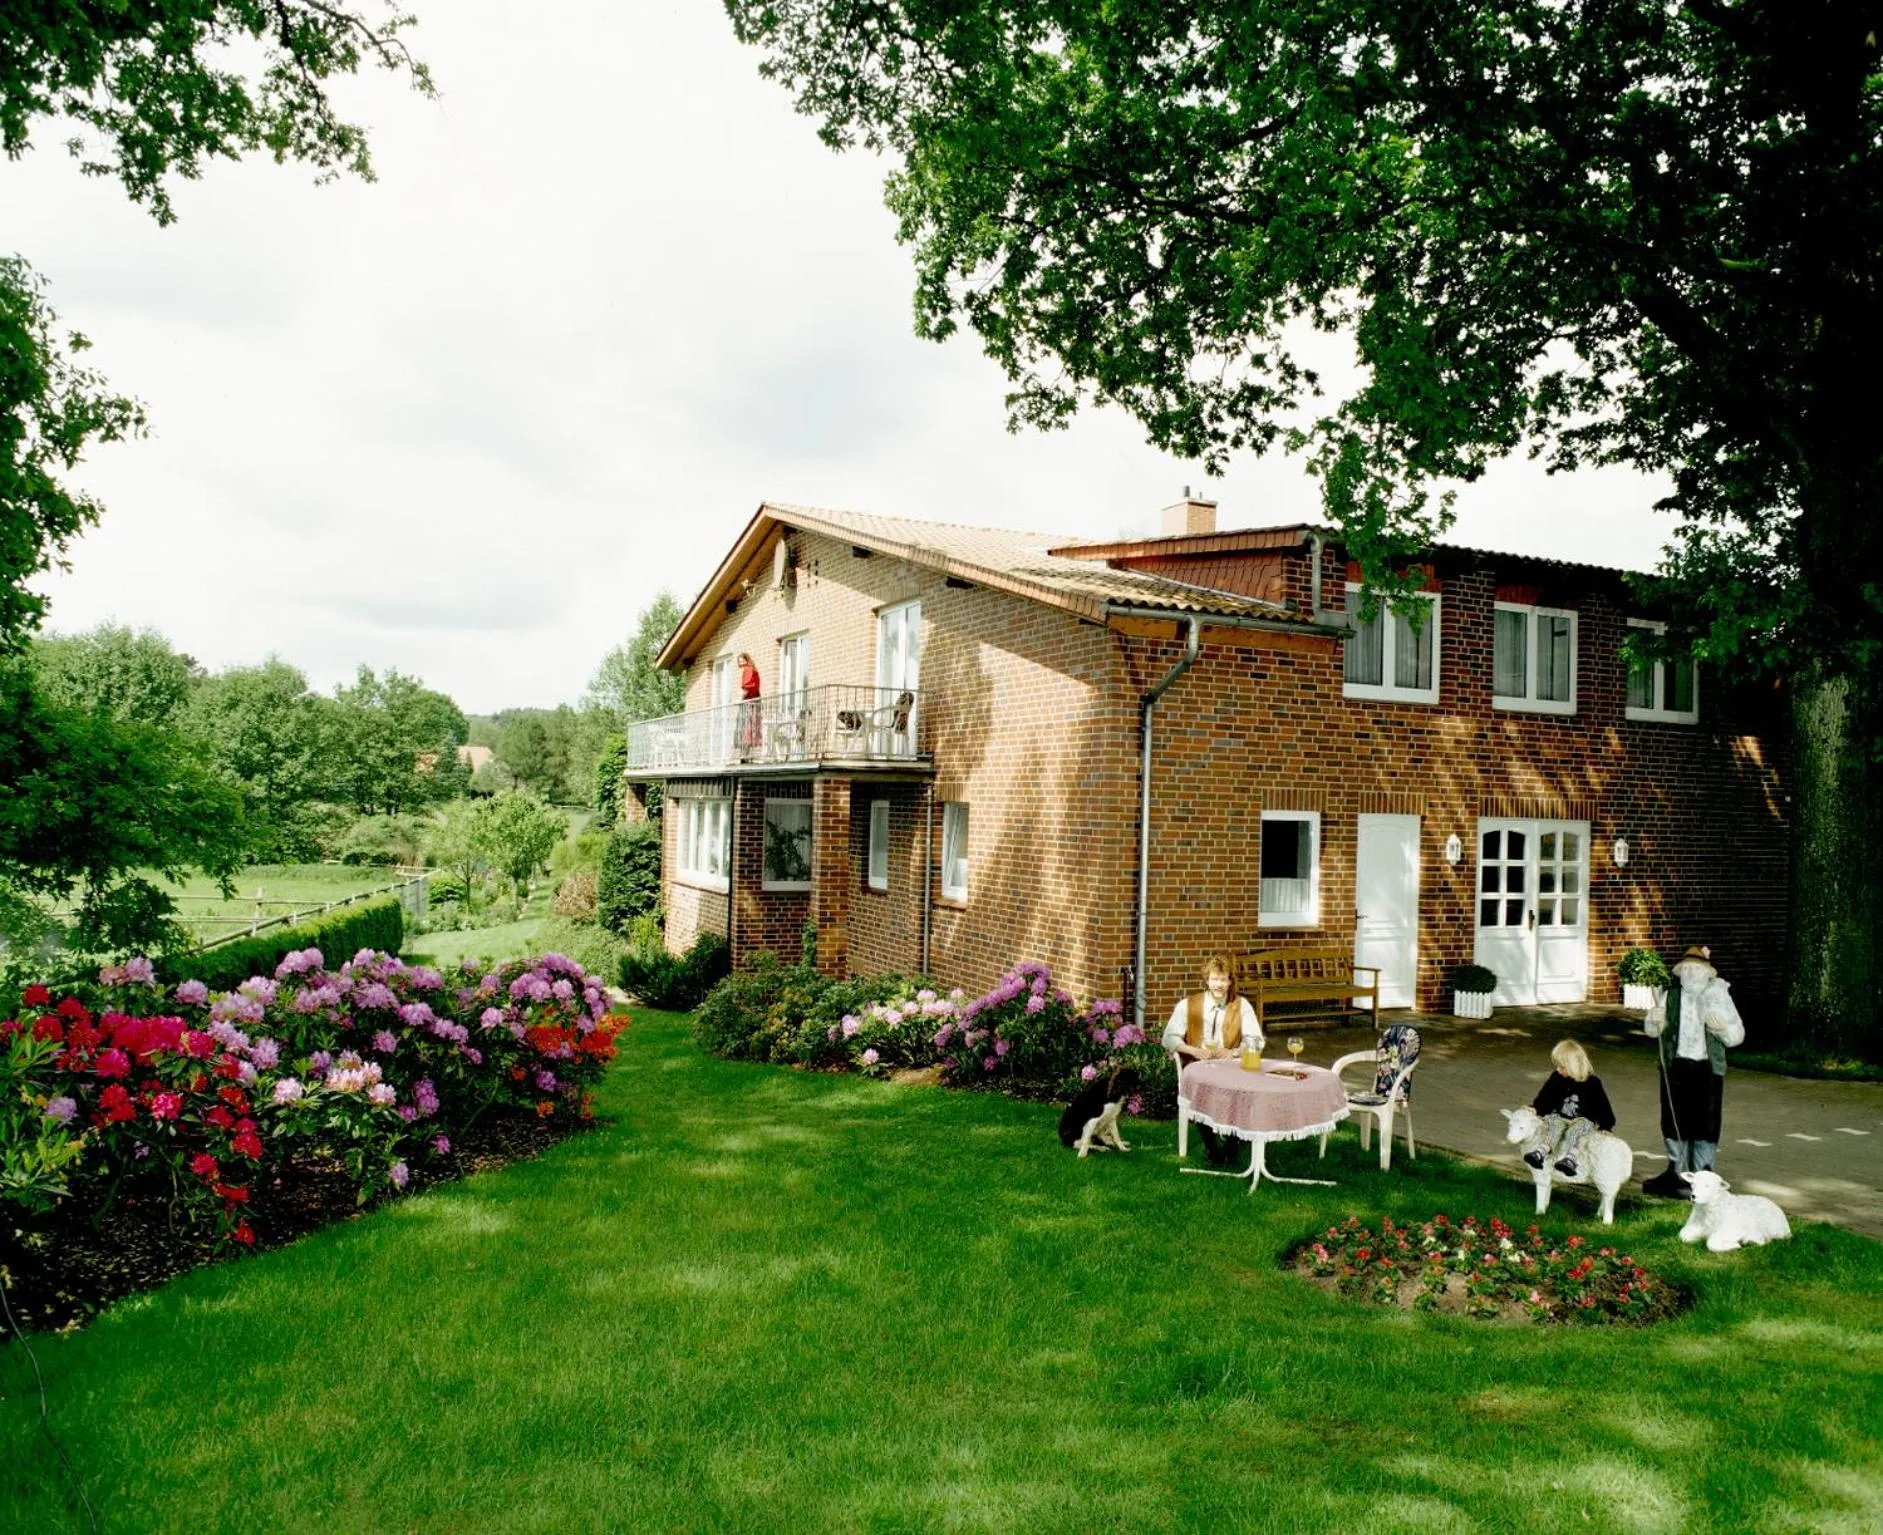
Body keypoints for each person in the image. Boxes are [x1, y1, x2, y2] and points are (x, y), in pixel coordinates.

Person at [1641, 944, 1744, 1197]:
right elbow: (1653, 1030)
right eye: (1686, 970)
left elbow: (1736, 1035)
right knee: (1674, 1118)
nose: (1690, 975)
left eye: (1696, 970)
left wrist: (1721, 1030)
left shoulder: (1719, 996)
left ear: (1707, 972)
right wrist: (1655, 1021)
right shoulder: (1671, 995)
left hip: (1707, 1070)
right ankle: (1676, 1170)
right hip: (1676, 1067)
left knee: (1706, 1122)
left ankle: (1703, 1171)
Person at [1162, 956, 1264, 1165]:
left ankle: (1232, 1145)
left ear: (1230, 982)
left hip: (1231, 1066)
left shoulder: (1241, 1005)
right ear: (1207, 980)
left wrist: (1233, 1052)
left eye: (1224, 980)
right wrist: (1193, 1050)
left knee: (1243, 1089)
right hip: (1199, 1065)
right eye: (1215, 979)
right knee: (1202, 1089)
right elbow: (1169, 1038)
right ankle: (1211, 1147)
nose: (1219, 985)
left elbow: (1256, 1040)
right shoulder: (1189, 1004)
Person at [1522, 1038, 1616, 1177]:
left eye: (1562, 1067)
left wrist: (1606, 1126)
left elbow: (1602, 1105)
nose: (1558, 1070)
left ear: (1574, 1065)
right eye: (1557, 1066)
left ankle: (1571, 1159)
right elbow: (1547, 1095)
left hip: (1582, 1119)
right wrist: (1536, 1108)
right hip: (1561, 1116)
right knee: (1553, 1126)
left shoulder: (1592, 1083)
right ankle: (1541, 1152)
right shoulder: (1557, 1078)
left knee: (1575, 1132)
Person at [736, 652, 762, 751]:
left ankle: (747, 743)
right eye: (739, 661)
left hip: (750, 699)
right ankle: (752, 742)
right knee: (753, 721)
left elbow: (746, 686)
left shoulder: (748, 669)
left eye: (742, 660)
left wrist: (740, 698)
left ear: (746, 660)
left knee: (747, 722)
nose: (740, 663)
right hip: (755, 698)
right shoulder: (753, 670)